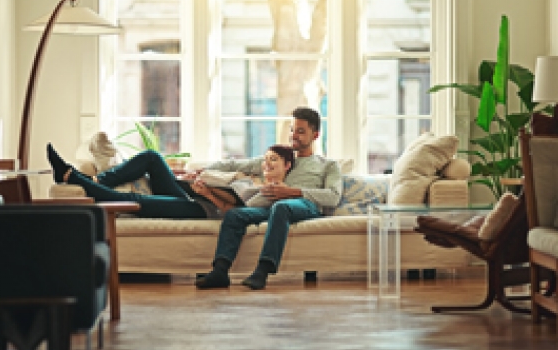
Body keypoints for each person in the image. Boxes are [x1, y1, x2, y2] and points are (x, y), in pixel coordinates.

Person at [195, 106, 343, 290]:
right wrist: (202, 170)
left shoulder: (327, 165)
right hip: (270, 208)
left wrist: (292, 192)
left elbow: (333, 197)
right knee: (235, 215)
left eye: (301, 131)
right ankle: (220, 271)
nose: (293, 135)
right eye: (292, 129)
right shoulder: (279, 157)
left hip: (305, 206)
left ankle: (262, 271)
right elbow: (234, 164)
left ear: (316, 135)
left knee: (281, 207)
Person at [46, 144, 219, 219]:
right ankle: (97, 180)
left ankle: (72, 176)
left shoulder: (246, 191)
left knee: (136, 201)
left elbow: (231, 209)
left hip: (204, 208)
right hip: (193, 193)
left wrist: (210, 194)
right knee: (151, 157)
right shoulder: (240, 169)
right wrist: (192, 177)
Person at [192, 144, 295, 210]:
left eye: (273, 159)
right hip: (197, 197)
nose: (266, 163)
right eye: (264, 159)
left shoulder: (272, 191)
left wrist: (208, 194)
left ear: (287, 165)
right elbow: (232, 164)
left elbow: (237, 212)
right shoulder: (253, 178)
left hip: (206, 206)